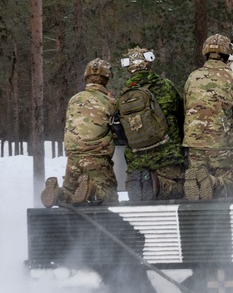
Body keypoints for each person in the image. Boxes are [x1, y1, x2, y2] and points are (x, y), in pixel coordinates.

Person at [41, 58, 118, 207]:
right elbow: (117, 129)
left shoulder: (74, 99)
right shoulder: (110, 102)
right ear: (107, 78)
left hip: (73, 158)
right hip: (96, 157)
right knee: (109, 196)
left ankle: (58, 193)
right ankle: (93, 190)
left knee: (72, 195)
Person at [183, 33, 233, 200]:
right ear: (227, 56)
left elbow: (186, 107)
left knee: (198, 186)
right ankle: (213, 182)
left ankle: (199, 185)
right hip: (222, 144)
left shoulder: (192, 77)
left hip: (194, 144)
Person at [116, 47, 185, 201]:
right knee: (180, 188)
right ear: (148, 63)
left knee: (139, 193)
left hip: (136, 159)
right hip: (167, 156)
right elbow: (181, 114)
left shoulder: (123, 94)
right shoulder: (165, 86)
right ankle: (158, 184)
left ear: (129, 67)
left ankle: (137, 183)